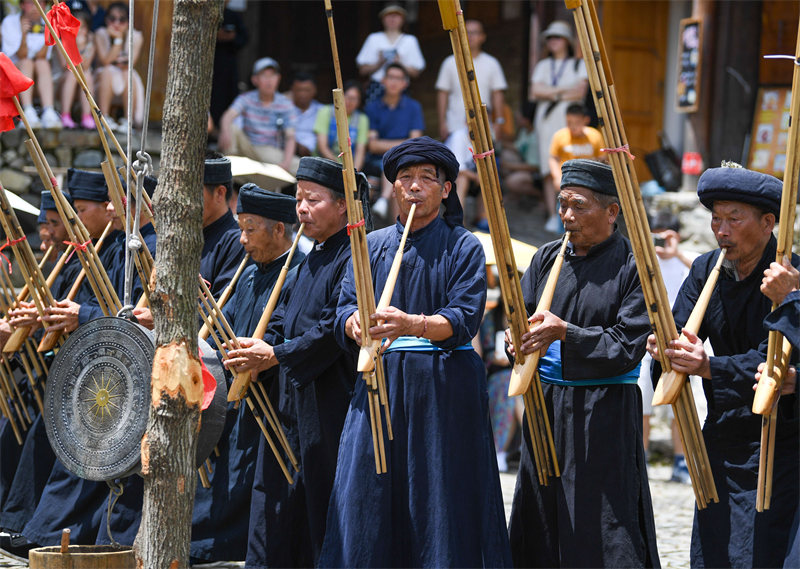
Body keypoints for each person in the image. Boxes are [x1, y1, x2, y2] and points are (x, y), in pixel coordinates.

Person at [320, 137, 511, 567]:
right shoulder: (368, 245)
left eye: (427, 178)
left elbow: (463, 318)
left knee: (438, 495)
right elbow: (345, 305)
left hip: (441, 393)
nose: (414, 186)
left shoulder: (464, 246)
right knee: (366, 490)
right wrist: (352, 322)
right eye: (405, 178)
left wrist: (411, 324)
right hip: (378, 387)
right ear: (393, 188)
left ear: (446, 190)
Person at [507, 159, 659, 567]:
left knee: (602, 516)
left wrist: (565, 333)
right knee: (542, 512)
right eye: (562, 205)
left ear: (612, 212)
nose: (567, 216)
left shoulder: (634, 266)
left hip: (603, 413)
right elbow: (520, 319)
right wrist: (514, 340)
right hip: (546, 407)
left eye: (579, 206)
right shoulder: (545, 258)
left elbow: (628, 345)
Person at [647, 164, 799, 568]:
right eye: (716, 218)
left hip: (782, 439)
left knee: (770, 549)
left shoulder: (791, 278)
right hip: (723, 435)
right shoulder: (705, 269)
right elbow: (680, 335)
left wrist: (709, 367)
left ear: (769, 223)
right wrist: (665, 352)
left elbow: (774, 360)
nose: (721, 230)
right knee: (717, 549)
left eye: (734, 218)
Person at [229, 157, 359, 568]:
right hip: (287, 395)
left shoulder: (356, 257)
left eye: (313, 200)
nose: (302, 208)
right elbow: (283, 315)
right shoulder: (310, 257)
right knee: (274, 493)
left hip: (329, 395)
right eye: (299, 199)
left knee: (317, 494)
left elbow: (330, 328)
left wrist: (278, 353)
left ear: (342, 206)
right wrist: (260, 345)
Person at [190, 183, 303, 564]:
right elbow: (227, 326)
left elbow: (285, 333)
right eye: (239, 228)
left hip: (273, 397)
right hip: (236, 397)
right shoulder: (250, 273)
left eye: (250, 229)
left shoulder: (298, 271)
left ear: (278, 230)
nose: (241, 240)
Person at [637, 210, 701, 484]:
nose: (661, 241)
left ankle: (681, 463)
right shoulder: (644, 258)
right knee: (641, 405)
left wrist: (676, 252)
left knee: (682, 405)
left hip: (681, 339)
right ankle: (640, 461)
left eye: (666, 234)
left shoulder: (690, 260)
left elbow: (706, 272)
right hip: (646, 340)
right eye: (657, 234)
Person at [435, 19, 507, 209]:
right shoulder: (450, 62)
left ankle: (484, 218)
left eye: (475, 32)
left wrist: (499, 122)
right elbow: (443, 93)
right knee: (456, 171)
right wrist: (442, 121)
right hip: (455, 125)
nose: (471, 36)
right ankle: (457, 216)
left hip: (485, 127)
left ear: (483, 37)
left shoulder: (492, 63)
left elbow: (497, 95)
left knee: (488, 170)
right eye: (467, 32)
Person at [530, 20, 588, 233]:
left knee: (573, 165)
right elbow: (535, 91)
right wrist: (563, 91)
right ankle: (552, 214)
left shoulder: (578, 64)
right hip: (546, 120)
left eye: (558, 37)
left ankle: (576, 211)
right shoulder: (543, 65)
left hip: (570, 120)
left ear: (567, 41)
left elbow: (579, 92)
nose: (553, 41)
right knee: (548, 168)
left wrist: (551, 90)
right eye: (550, 38)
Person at [219, 57, 300, 175]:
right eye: (264, 76)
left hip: (271, 151)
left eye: (272, 75)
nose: (269, 80)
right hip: (248, 147)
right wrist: (225, 131)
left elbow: (290, 137)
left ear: (279, 78)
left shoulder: (285, 104)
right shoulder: (246, 98)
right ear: (255, 80)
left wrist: (286, 163)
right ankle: (227, 173)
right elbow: (228, 116)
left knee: (301, 167)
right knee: (232, 128)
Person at [365, 63, 424, 220]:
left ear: (405, 83)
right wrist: (404, 143)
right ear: (383, 80)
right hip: (377, 160)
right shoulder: (372, 107)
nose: (394, 82)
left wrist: (391, 146)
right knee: (392, 165)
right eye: (390, 77)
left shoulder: (413, 107)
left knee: (396, 166)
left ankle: (386, 204)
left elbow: (416, 142)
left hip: (405, 158)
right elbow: (372, 145)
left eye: (398, 78)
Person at [1, 0, 61, 129]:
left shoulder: (47, 23)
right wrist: (24, 34)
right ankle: (27, 111)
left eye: (41, 2)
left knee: (42, 63)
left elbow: (42, 56)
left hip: (37, 74)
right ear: (22, 5)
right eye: (31, 3)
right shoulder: (10, 22)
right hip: (12, 75)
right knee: (27, 62)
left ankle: (48, 111)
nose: (36, 7)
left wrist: (48, 32)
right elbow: (21, 55)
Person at [356, 4, 425, 103]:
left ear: (403, 19)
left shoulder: (410, 40)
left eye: (396, 16)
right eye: (389, 15)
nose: (392, 19)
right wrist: (379, 62)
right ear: (383, 19)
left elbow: (416, 72)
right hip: (377, 86)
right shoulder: (373, 38)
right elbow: (362, 70)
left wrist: (399, 63)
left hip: (401, 87)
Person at [94, 2, 143, 133]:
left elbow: (130, 63)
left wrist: (115, 60)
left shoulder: (136, 36)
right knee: (107, 71)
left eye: (122, 19)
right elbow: (105, 61)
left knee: (128, 73)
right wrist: (118, 41)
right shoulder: (100, 34)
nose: (116, 23)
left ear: (128, 21)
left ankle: (128, 121)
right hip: (102, 79)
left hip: (125, 76)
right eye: (112, 18)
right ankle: (104, 118)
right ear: (106, 20)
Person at [548, 103, 603, 193]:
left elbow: (602, 159)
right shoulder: (559, 136)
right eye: (569, 122)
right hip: (566, 181)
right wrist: (557, 177)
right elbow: (553, 158)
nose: (573, 127)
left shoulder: (595, 135)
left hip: (590, 182)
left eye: (577, 122)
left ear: (586, 120)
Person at [314, 80, 369, 171]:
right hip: (323, 163)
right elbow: (322, 146)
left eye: (354, 99)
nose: (349, 102)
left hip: (349, 168)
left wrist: (354, 172)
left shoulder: (362, 119)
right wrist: (339, 167)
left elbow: (360, 151)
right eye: (347, 97)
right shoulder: (325, 111)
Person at [209, 2, 248, 130]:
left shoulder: (233, 15)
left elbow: (244, 38)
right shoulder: (205, 13)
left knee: (228, 95)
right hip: (209, 63)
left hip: (228, 64)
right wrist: (214, 36)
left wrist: (231, 37)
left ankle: (223, 130)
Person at [59, 9, 95, 130]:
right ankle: (65, 114)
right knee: (72, 74)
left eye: (83, 27)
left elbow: (85, 66)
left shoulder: (90, 44)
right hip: (61, 82)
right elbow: (65, 65)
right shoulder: (61, 41)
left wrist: (82, 47)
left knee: (88, 75)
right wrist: (75, 46)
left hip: (81, 81)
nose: (79, 30)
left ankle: (86, 116)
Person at [289, 72, 322, 158]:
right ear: (292, 90)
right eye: (299, 90)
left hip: (316, 157)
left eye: (307, 90)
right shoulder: (285, 109)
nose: (302, 94)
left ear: (315, 90)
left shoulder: (322, 111)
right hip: (289, 155)